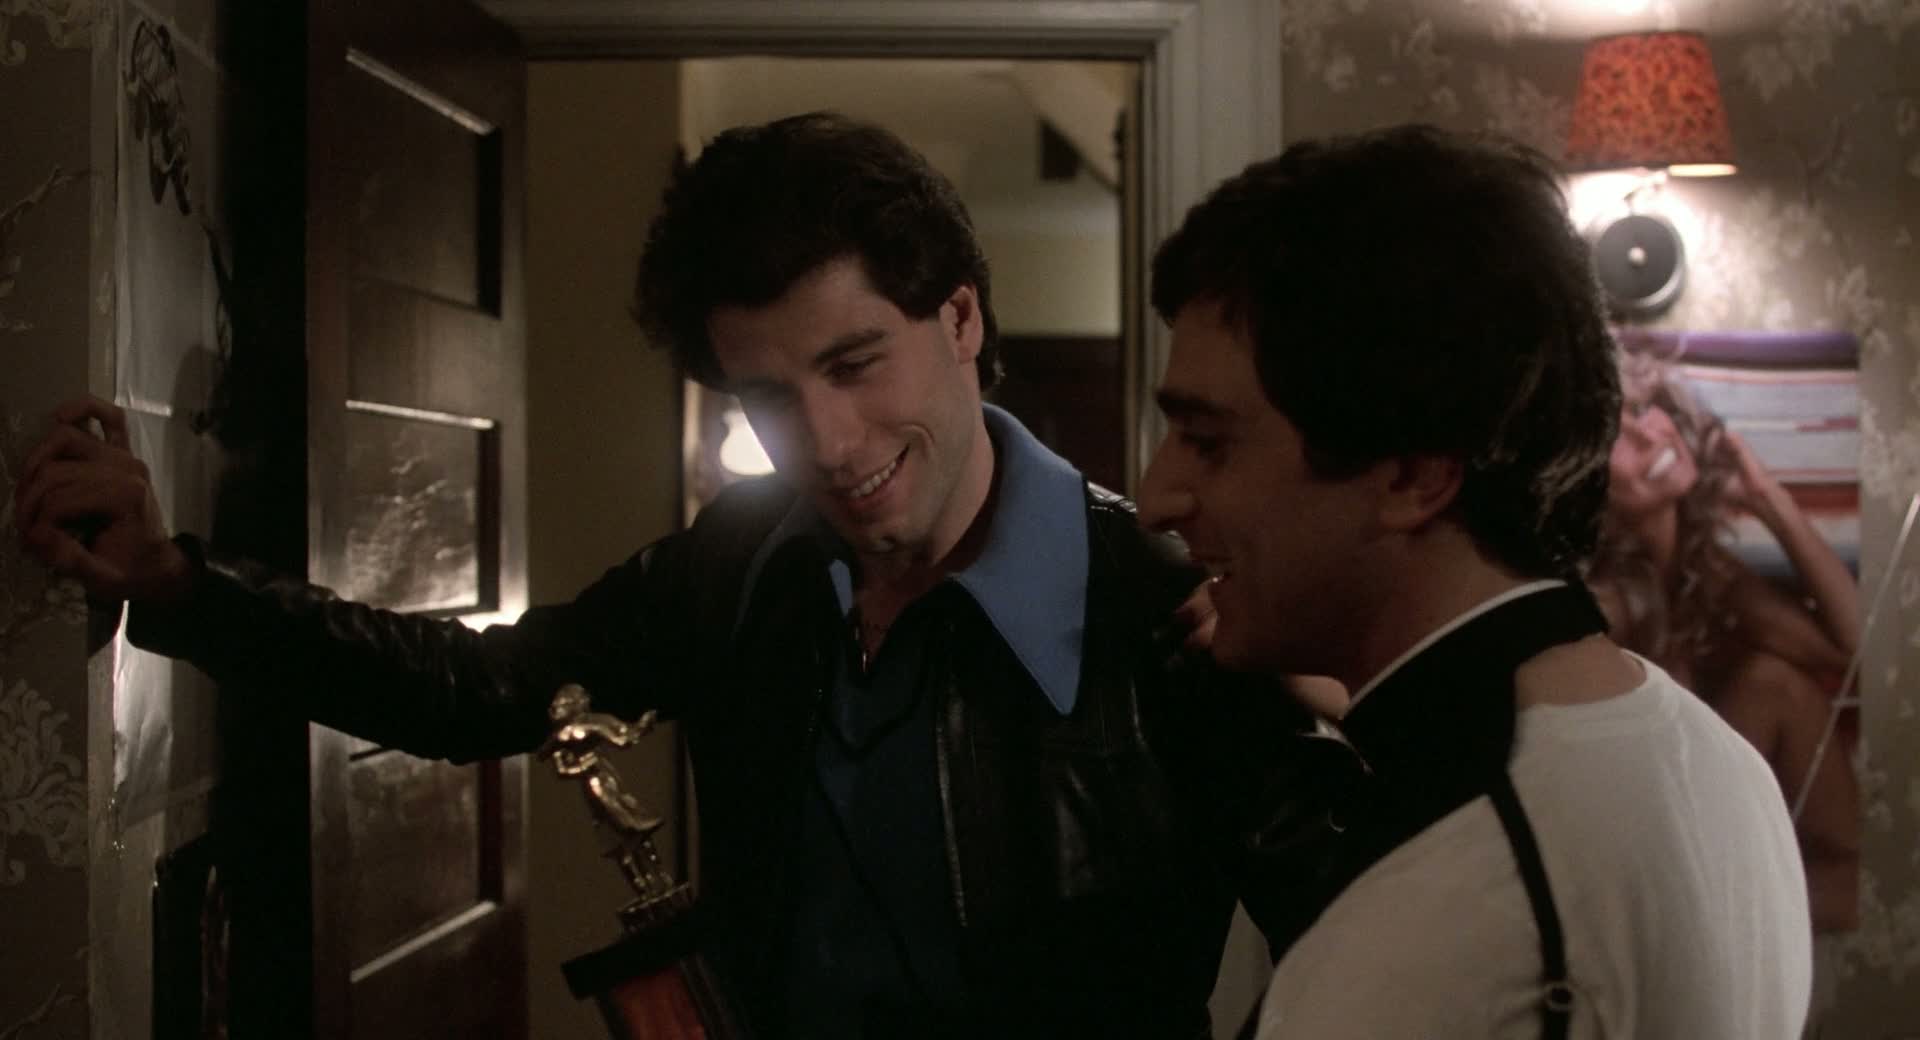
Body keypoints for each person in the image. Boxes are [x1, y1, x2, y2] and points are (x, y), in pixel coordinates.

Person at [14, 112, 1334, 1039]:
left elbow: (1363, 944)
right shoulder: (746, 562)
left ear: (961, 316)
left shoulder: (1171, 613)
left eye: (854, 364)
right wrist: (175, 583)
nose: (830, 445)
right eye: (771, 396)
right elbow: (474, 686)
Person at [1138, 124, 1813, 1038]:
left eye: (1209, 442)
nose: (1156, 499)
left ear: (1416, 476)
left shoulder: (1431, 917)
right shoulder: (1726, 771)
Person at [1589, 355, 1861, 936]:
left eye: (1644, 409)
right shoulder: (1605, 605)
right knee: (1771, 686)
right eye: (1616, 434)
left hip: (1713, 862)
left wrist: (1768, 499)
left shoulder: (1705, 573)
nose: (1649, 433)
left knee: (1776, 683)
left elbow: (1854, 651)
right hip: (1648, 873)